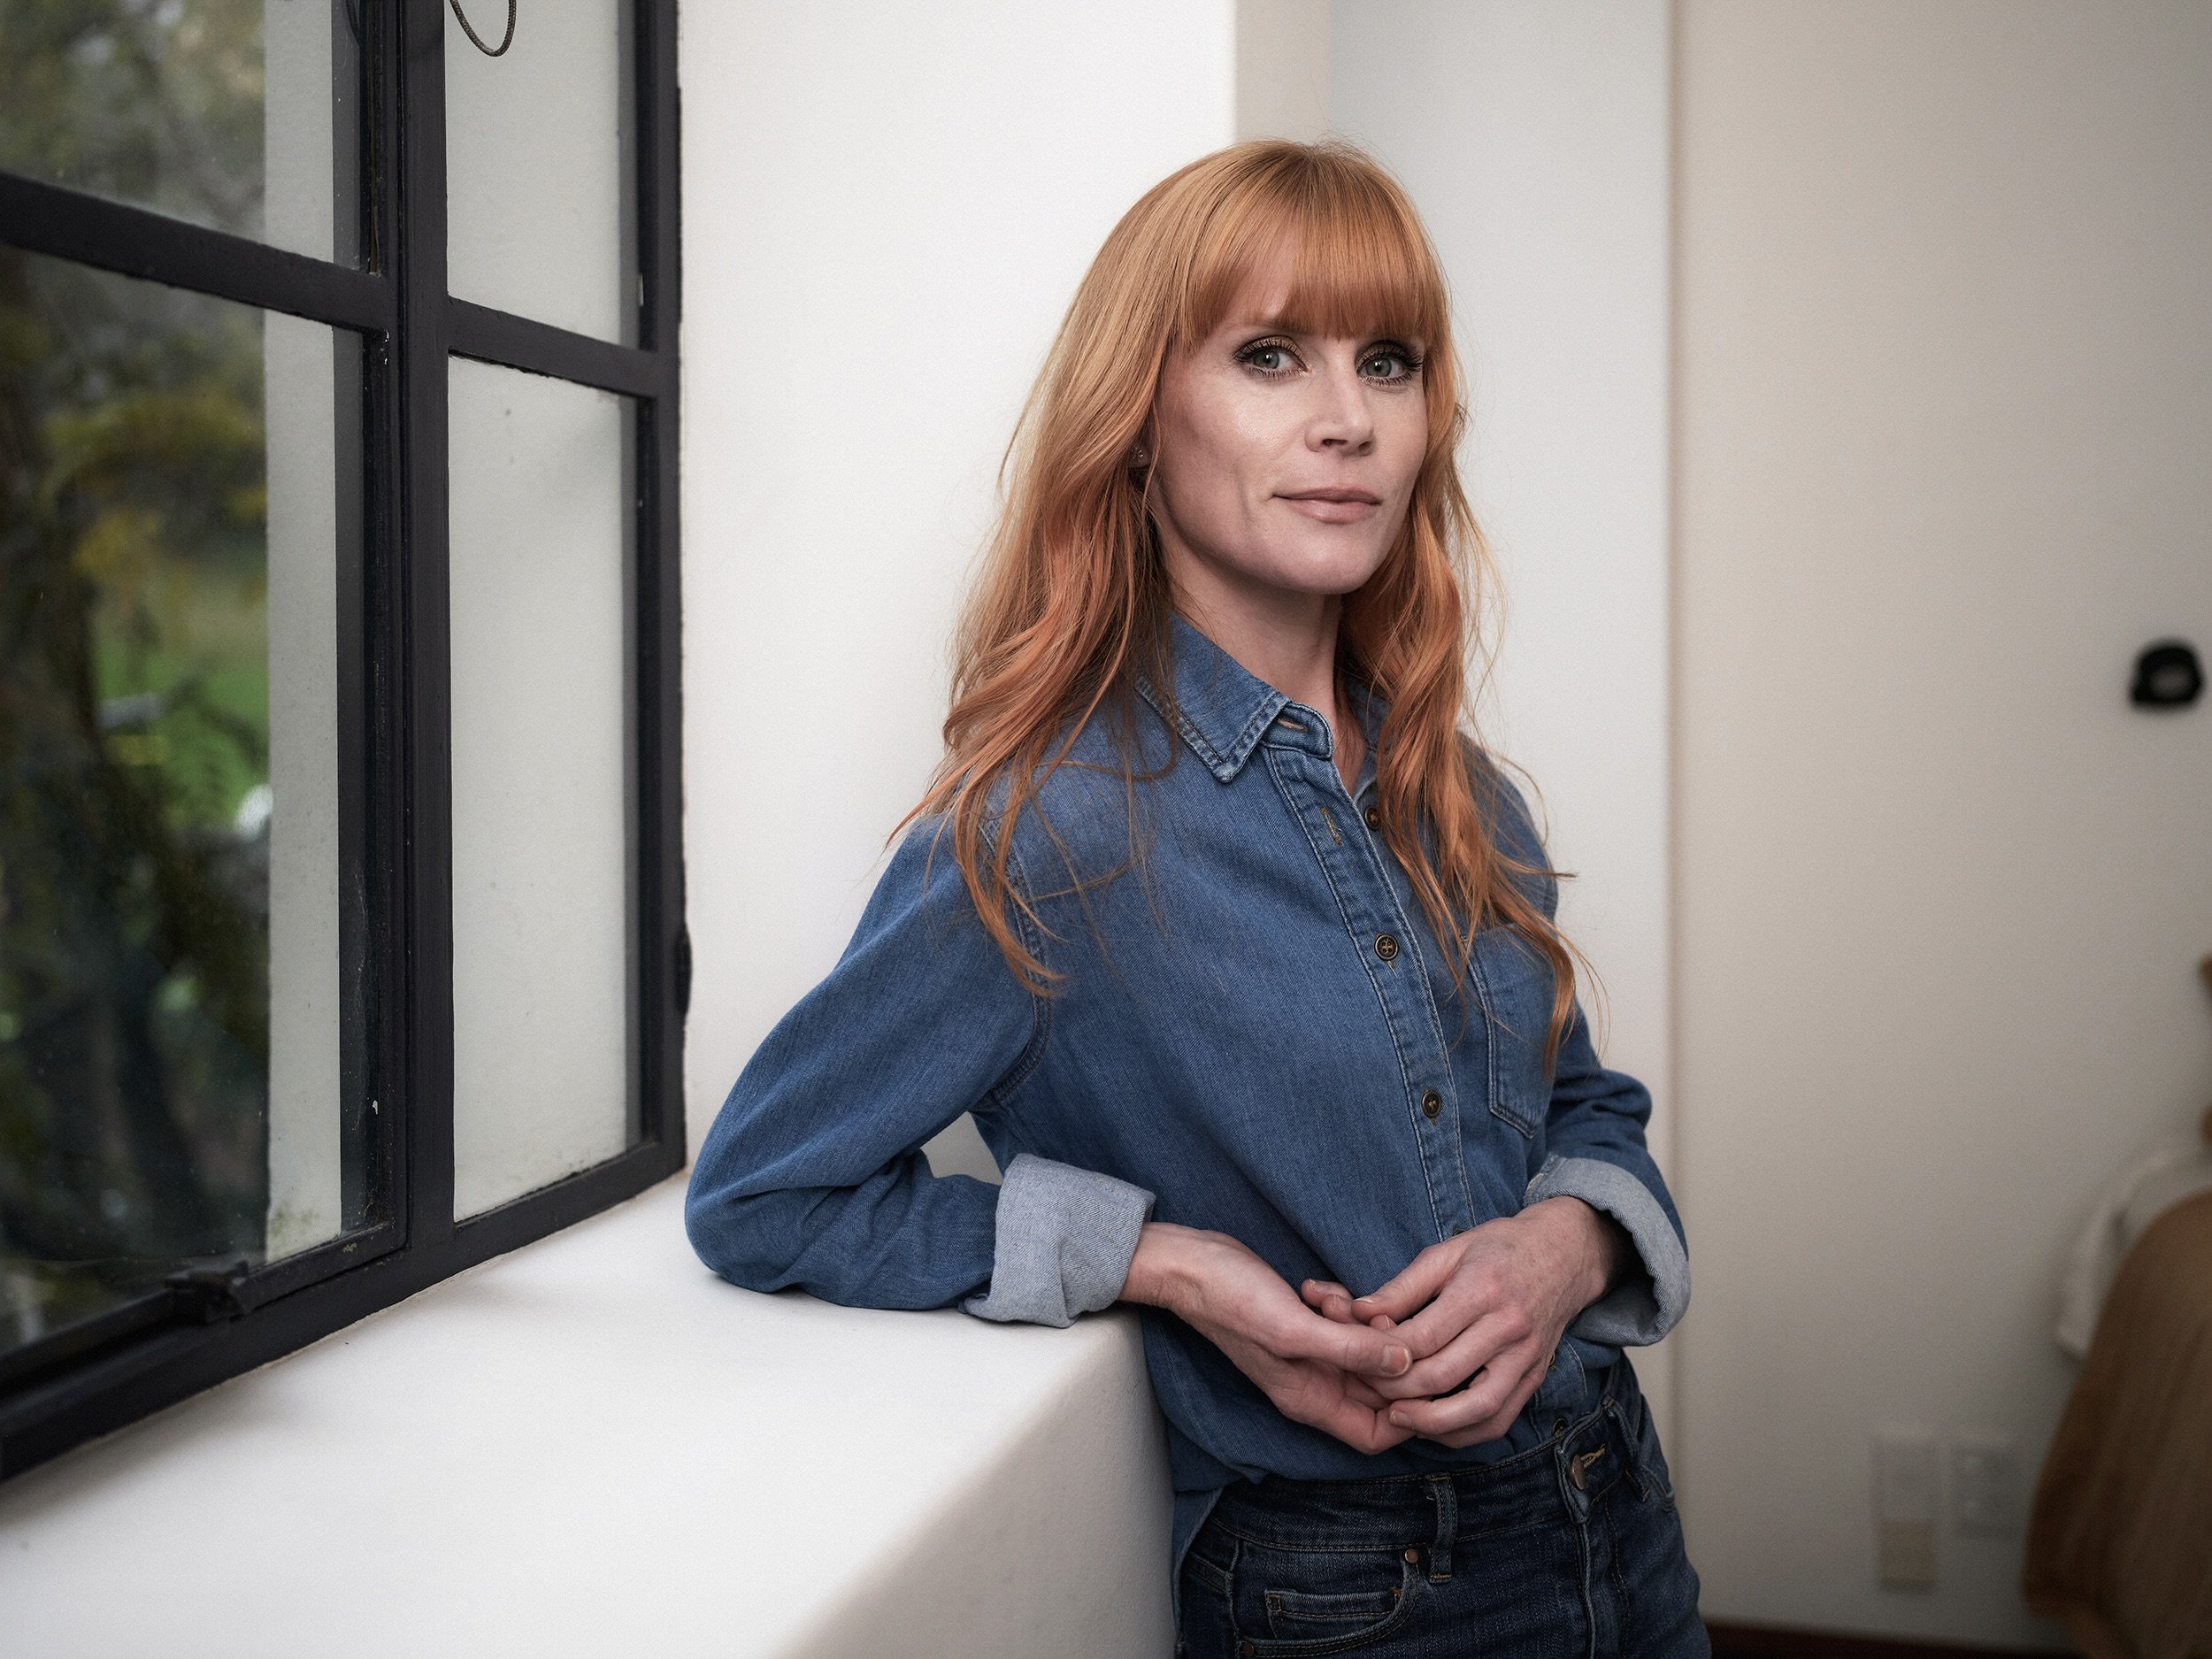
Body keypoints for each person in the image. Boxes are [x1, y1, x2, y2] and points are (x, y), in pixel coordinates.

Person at [686, 140, 1705, 1657]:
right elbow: (763, 1191)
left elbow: (1588, 1114)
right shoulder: (1048, 830)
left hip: (1619, 1510)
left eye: (1390, 361)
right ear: (1144, 419)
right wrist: (1162, 1262)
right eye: (1270, 356)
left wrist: (1570, 1250)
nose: (1346, 419)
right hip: (1355, 1595)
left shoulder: (1459, 788)